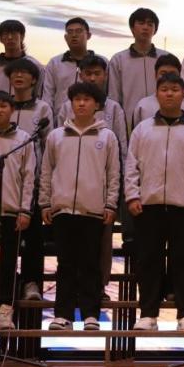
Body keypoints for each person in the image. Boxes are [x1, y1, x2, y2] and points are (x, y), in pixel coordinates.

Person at [125, 72, 184, 331]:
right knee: (148, 261)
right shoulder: (143, 129)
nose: (169, 94)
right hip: (148, 205)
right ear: (157, 94)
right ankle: (148, 314)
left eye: (175, 89)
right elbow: (131, 165)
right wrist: (132, 195)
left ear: (183, 95)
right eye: (164, 89)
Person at [39, 82, 120, 331]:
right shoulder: (56, 136)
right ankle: (62, 315)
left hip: (93, 210)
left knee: (90, 264)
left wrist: (111, 203)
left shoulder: (107, 137)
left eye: (87, 99)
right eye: (77, 99)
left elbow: (113, 173)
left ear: (97, 105)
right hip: (62, 210)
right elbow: (46, 171)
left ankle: (90, 314)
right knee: (65, 264)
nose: (81, 103)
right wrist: (45, 202)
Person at [54, 55, 129, 297]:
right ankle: (72, 290)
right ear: (80, 75)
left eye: (97, 73)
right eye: (88, 73)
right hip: (68, 188)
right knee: (70, 247)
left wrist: (116, 191)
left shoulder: (114, 108)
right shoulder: (66, 107)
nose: (93, 78)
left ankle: (98, 288)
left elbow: (121, 148)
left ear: (105, 76)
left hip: (101, 186)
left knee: (101, 243)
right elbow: (58, 146)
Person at [0, 91, 35, 331]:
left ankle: (4, 313)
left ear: (12, 110)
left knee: (8, 266)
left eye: (3, 106)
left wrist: (25, 210)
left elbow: (29, 178)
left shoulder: (23, 139)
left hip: (10, 213)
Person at [4, 57, 52, 301]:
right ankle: (6, 282)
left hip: (33, 180)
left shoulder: (42, 108)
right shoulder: (3, 105)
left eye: (24, 73)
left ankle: (32, 282)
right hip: (6, 180)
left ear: (34, 79)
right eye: (15, 73)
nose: (19, 76)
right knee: (7, 236)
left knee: (33, 236)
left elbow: (49, 146)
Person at [108, 7, 169, 132]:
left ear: (155, 30)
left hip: (163, 121)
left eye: (150, 24)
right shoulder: (118, 60)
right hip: (129, 124)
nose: (145, 27)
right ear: (132, 28)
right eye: (141, 23)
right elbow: (114, 97)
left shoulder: (166, 58)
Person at [42, 17, 98, 117]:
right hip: (61, 119)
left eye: (79, 31)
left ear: (88, 35)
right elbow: (48, 95)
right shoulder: (55, 63)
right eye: (70, 32)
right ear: (65, 37)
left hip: (93, 119)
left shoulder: (100, 63)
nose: (74, 35)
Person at [129, 54, 184, 128]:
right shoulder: (142, 106)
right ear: (155, 75)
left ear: (180, 76)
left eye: (173, 74)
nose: (168, 77)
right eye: (163, 74)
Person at [0, 19, 44, 99]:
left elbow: (39, 95)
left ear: (22, 37)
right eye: (5, 34)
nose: (10, 37)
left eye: (14, 33)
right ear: (0, 39)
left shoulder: (35, 65)